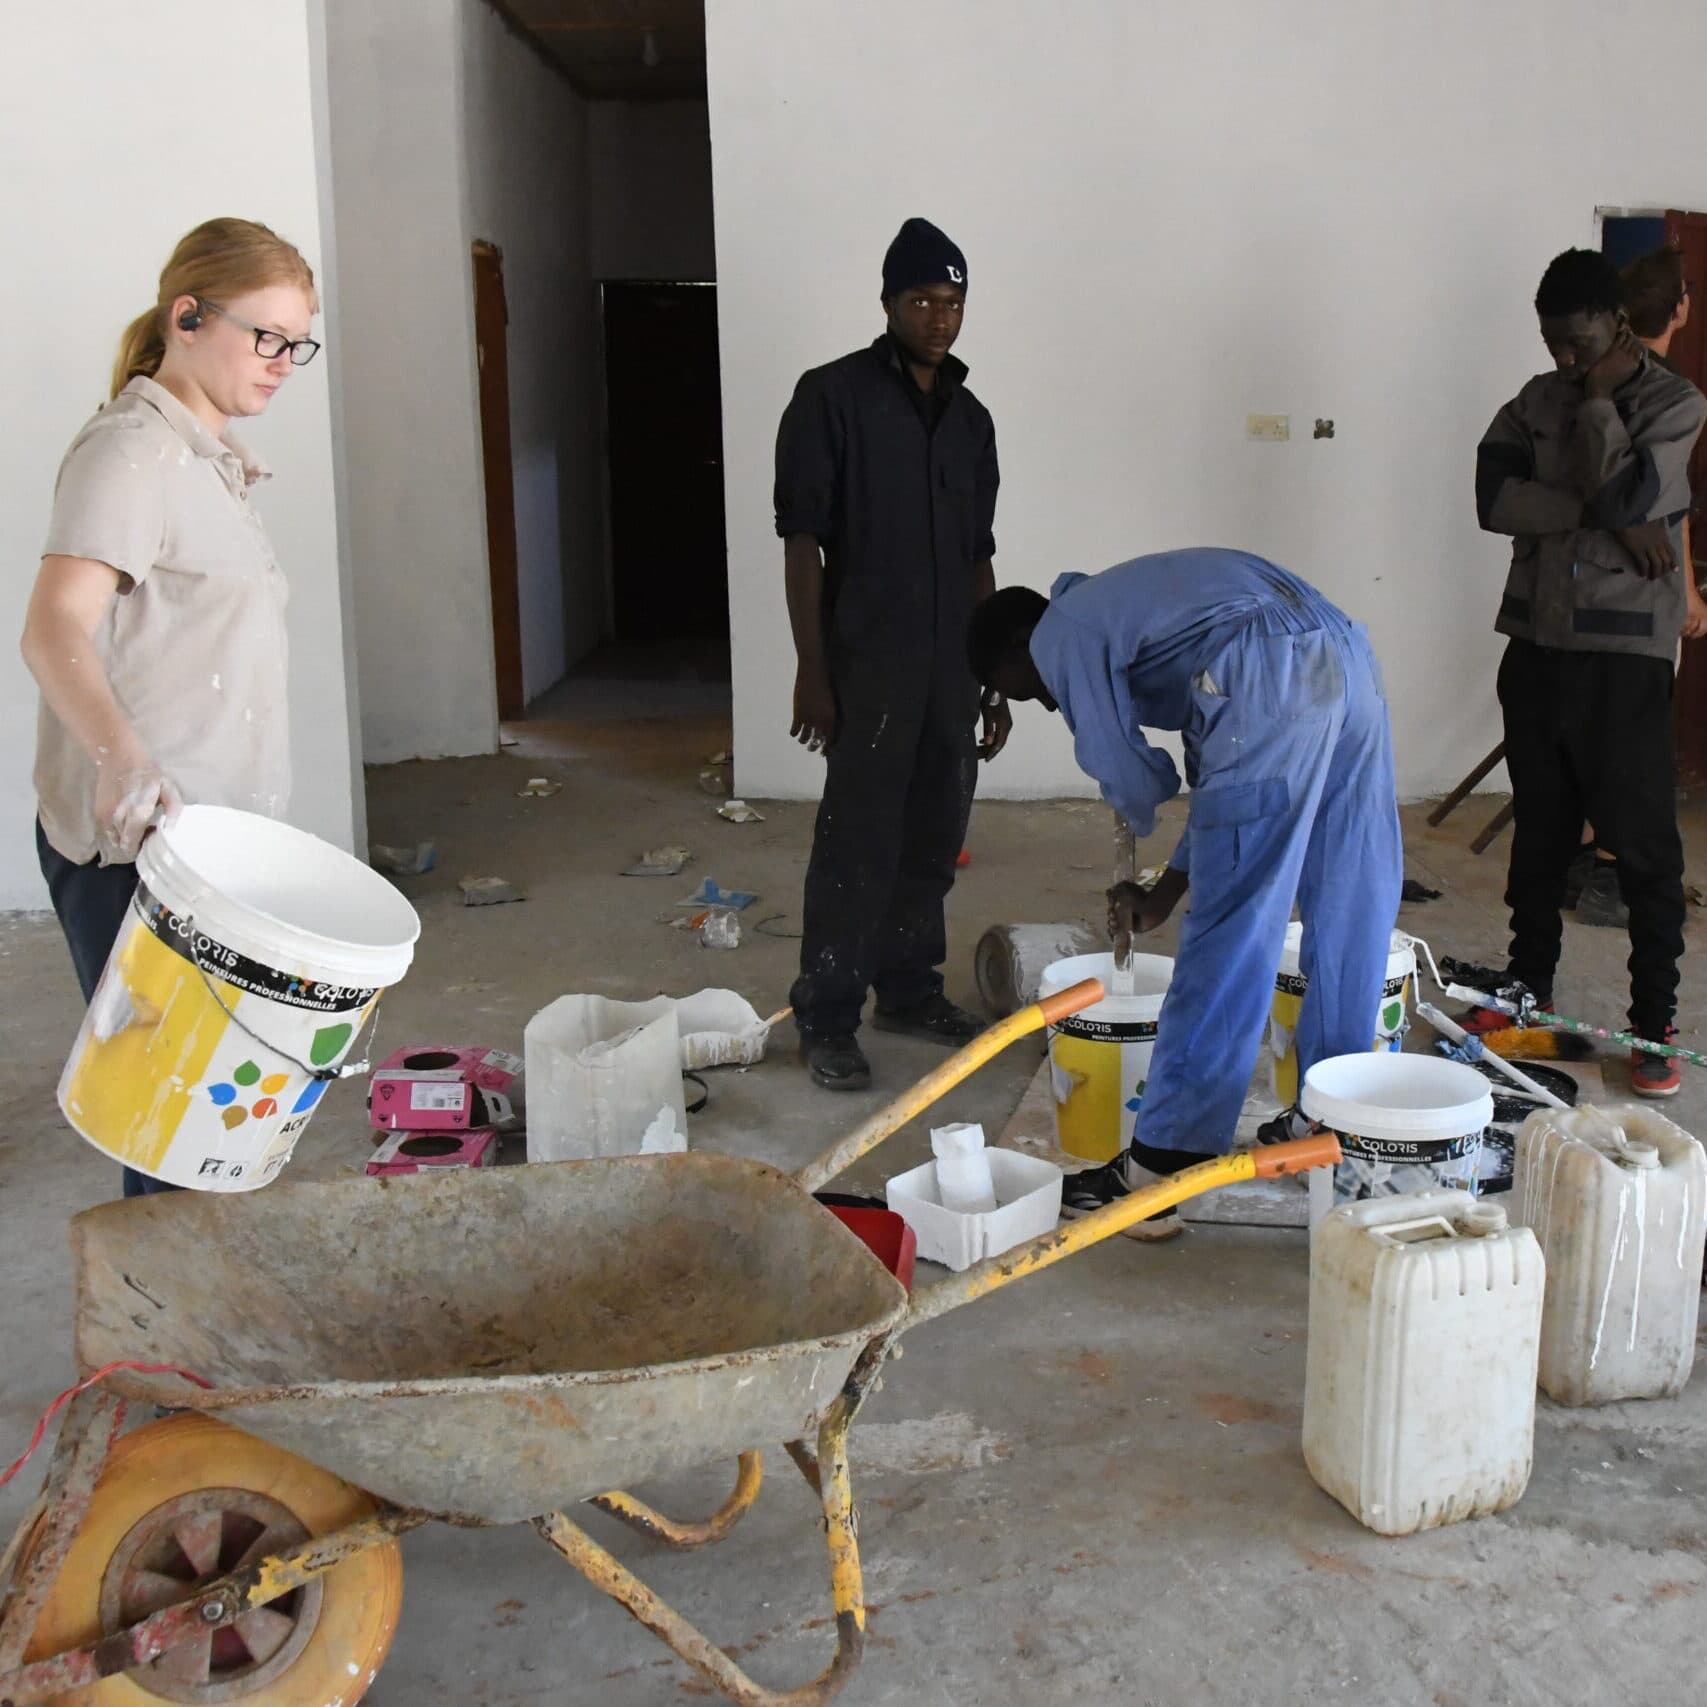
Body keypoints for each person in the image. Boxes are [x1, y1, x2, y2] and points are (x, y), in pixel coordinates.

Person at [968, 549, 1402, 1236]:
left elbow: (1126, 769)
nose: (1047, 701)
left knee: (1231, 931)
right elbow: (1222, 771)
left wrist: (1135, 795)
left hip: (1270, 671)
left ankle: (1163, 1166)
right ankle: (1331, 1124)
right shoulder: (1137, 613)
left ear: (1022, 645)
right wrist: (1166, 886)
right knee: (1351, 903)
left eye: (1025, 690)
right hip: (1344, 654)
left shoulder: (1061, 632)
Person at [21, 218, 322, 1195]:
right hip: (141, 855)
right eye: (265, 336)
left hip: (215, 852)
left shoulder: (206, 462)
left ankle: (193, 1291)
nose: (282, 362)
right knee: (174, 1139)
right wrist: (123, 758)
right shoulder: (130, 454)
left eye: (297, 343)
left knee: (215, 1130)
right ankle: (160, 1299)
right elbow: (53, 627)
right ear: (187, 317)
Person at [774, 218, 1007, 1092]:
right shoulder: (831, 398)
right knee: (857, 843)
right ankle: (827, 1013)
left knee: (933, 835)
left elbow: (979, 553)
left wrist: (993, 673)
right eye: (921, 301)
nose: (939, 319)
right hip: (868, 664)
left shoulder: (971, 420)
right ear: (887, 303)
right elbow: (803, 543)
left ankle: (907, 989)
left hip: (952, 668)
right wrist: (812, 670)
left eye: (953, 302)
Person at [1476, 247, 1706, 1098]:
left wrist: (1602, 406)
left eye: (1577, 341)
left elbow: (1634, 496)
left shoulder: (1674, 403)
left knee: (1642, 847)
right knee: (1539, 834)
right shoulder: (1534, 400)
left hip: (1622, 658)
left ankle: (1652, 1025)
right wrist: (1602, 516)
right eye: (1551, 342)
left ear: (1615, 323)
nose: (1564, 358)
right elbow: (1491, 499)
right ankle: (1526, 991)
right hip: (1535, 645)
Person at [1570, 247, 1707, 929]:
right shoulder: (1672, 393)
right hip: (1641, 596)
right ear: (1679, 308)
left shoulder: (1588, 379)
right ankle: (1609, 874)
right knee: (1634, 743)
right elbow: (1660, 507)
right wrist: (1687, 589)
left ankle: (1583, 860)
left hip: (1578, 593)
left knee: (1591, 730)